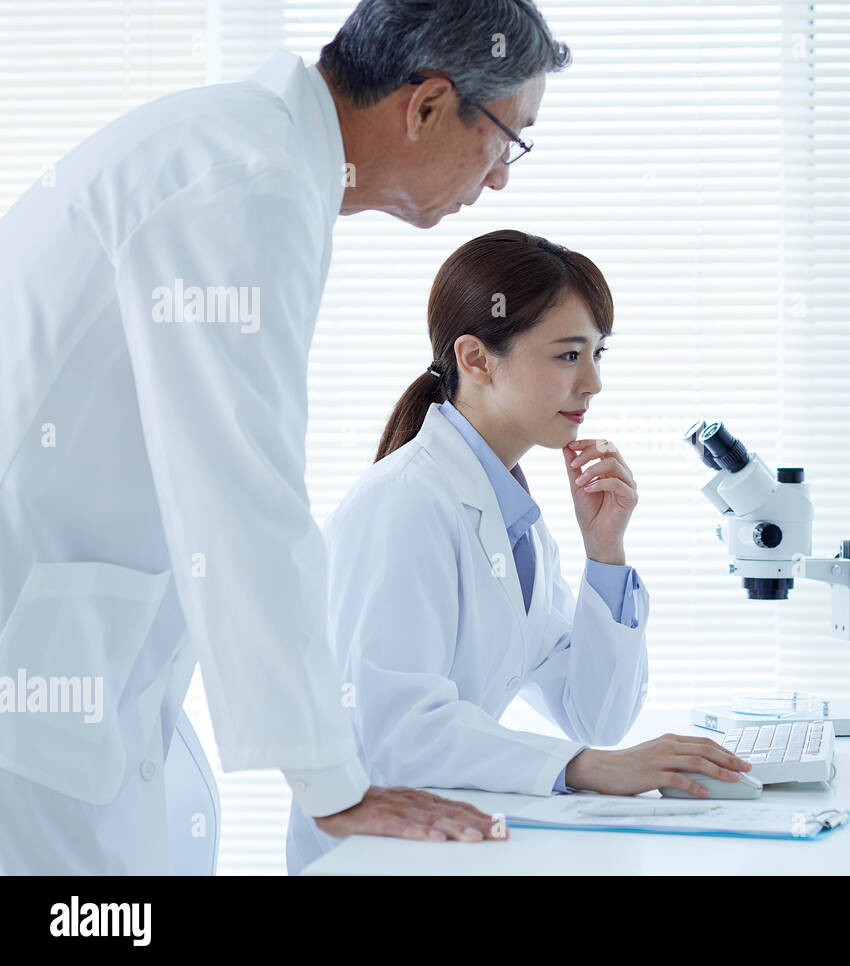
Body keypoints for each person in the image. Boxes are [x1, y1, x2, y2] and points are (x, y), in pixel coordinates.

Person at [0, 0, 568, 875]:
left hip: (74, 649)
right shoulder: (246, 179)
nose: (499, 180)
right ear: (425, 105)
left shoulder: (257, 158)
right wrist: (334, 782)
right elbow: (241, 489)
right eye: (508, 137)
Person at [285, 231, 751, 873]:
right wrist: (589, 770)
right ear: (476, 358)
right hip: (374, 857)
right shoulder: (404, 503)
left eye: (596, 354)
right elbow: (397, 733)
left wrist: (606, 555)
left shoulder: (518, 521)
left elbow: (595, 715)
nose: (591, 383)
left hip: (448, 844)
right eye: (567, 355)